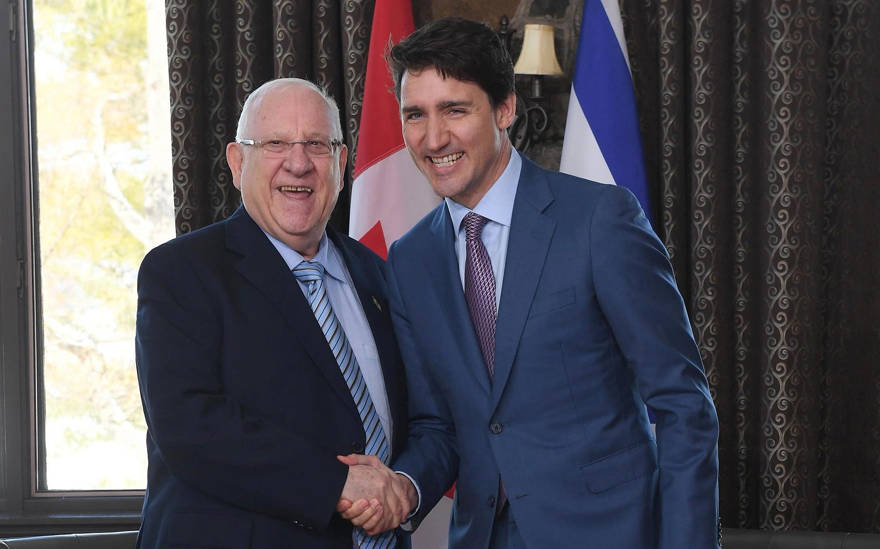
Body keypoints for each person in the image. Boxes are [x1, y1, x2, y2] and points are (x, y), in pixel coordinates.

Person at [342, 17, 720, 549]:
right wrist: (401, 486)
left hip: (610, 534)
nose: (433, 137)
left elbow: (684, 405)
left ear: (504, 108)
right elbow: (439, 426)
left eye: (455, 109)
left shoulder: (599, 221)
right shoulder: (410, 260)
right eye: (415, 115)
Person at [135, 78, 413, 548]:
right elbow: (189, 425)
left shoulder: (378, 275)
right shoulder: (181, 272)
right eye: (276, 143)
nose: (299, 162)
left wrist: (406, 483)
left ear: (341, 164)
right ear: (237, 162)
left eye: (316, 145)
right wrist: (337, 484)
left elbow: (422, 415)